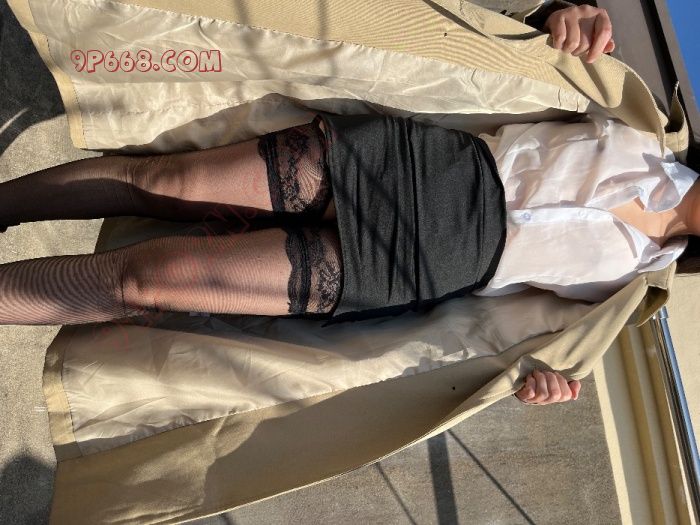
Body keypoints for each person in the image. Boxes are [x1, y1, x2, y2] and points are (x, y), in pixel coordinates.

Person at [0, 5, 694, 405]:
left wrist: (547, 381)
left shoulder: (636, 288)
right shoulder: (645, 126)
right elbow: (517, 54)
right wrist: (559, 17)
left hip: (421, 266)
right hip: (423, 165)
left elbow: (532, 344)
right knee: (170, 182)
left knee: (148, 282)